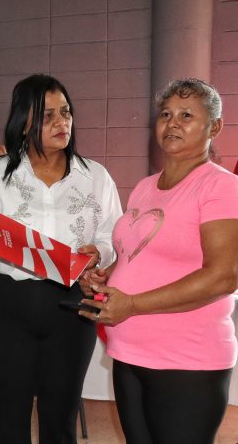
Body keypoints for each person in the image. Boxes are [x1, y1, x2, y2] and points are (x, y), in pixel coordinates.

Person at [0, 74, 122, 443]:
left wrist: (99, 252)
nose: (62, 122)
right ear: (23, 122)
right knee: (8, 420)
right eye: (47, 116)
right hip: (7, 307)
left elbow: (113, 235)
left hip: (72, 308)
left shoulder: (95, 176)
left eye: (66, 112)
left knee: (60, 420)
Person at [80, 78, 238, 444]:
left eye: (187, 115)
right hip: (129, 353)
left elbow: (224, 276)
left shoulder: (220, 187)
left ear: (214, 127)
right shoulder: (145, 187)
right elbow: (137, 255)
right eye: (166, 114)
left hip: (186, 359)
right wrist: (106, 276)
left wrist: (133, 303)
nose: (172, 123)